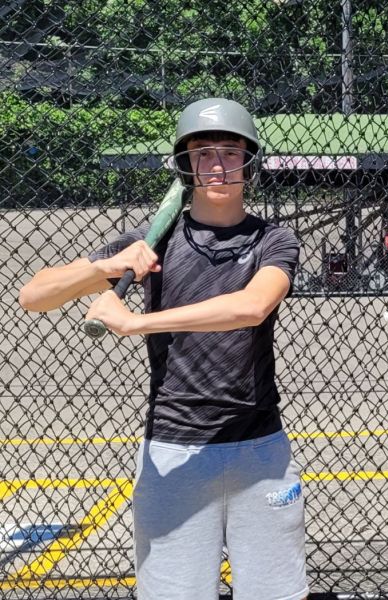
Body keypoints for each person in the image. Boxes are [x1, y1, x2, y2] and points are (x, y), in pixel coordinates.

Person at [18, 97, 307, 600]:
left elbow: (252, 306)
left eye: (230, 152)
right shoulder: (151, 243)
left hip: (259, 448)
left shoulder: (273, 240)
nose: (217, 165)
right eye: (203, 152)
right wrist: (102, 267)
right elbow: (33, 296)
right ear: (185, 163)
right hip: (173, 449)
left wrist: (137, 323)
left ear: (249, 163)